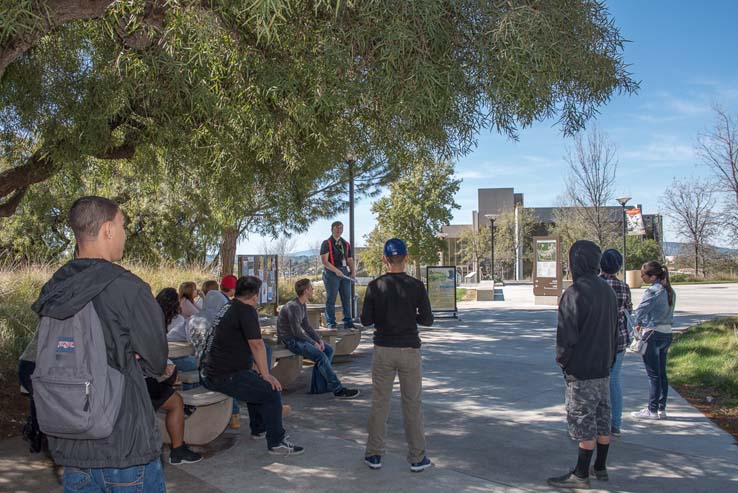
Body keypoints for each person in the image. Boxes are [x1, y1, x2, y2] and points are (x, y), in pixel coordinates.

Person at [31, 196, 168, 492]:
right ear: (107, 229)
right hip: (124, 443)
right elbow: (157, 360)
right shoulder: (128, 288)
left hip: (70, 441)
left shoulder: (55, 287)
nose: (124, 234)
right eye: (122, 226)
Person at [202, 276, 304, 455]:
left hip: (210, 371)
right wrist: (267, 374)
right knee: (271, 390)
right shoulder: (246, 311)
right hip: (222, 375)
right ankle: (276, 442)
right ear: (255, 296)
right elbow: (257, 345)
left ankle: (259, 429)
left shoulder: (229, 307)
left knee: (255, 381)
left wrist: (258, 370)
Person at [548, 240, 618, 489]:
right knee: (602, 419)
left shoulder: (574, 293)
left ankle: (580, 474)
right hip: (603, 368)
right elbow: (615, 331)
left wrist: (563, 361)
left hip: (581, 370)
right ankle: (600, 467)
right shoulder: (607, 290)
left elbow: (566, 337)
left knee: (583, 422)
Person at [361, 238, 434, 473]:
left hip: (383, 349)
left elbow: (365, 320)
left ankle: (374, 454)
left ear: (384, 259)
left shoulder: (374, 285)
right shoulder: (416, 286)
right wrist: (409, 315)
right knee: (412, 404)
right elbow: (427, 320)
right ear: (406, 257)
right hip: (409, 349)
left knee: (380, 403)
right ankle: (417, 457)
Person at [277, 278, 360, 399]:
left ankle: (319, 387)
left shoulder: (302, 304)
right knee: (320, 356)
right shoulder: (293, 306)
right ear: (306, 291)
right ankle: (338, 389)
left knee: (329, 350)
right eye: (311, 288)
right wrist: (312, 343)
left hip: (298, 338)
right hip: (290, 340)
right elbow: (296, 331)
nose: (313, 290)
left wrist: (318, 340)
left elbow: (307, 326)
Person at [630, 260, 676, 420]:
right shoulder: (669, 290)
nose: (642, 277)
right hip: (667, 333)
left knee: (653, 375)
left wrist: (637, 324)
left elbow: (641, 311)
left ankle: (652, 409)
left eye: (644, 275)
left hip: (652, 334)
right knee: (662, 373)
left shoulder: (653, 291)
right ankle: (661, 408)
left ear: (653, 276)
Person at [598, 249, 633, 436]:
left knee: (596, 381)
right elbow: (629, 310)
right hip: (618, 338)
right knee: (615, 381)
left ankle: (597, 422)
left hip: (598, 340)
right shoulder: (623, 287)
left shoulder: (596, 285)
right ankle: (615, 424)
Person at [158, 288, 198, 389]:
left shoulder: (154, 317)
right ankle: (191, 395)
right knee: (197, 365)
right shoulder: (178, 319)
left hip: (159, 357)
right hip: (175, 357)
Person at [320, 221, 355, 329]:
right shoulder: (327, 243)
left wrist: (353, 271)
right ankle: (331, 322)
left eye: (341, 228)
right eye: (337, 228)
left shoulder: (345, 244)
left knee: (346, 297)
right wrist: (336, 270)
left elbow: (349, 259)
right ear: (332, 229)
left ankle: (348, 321)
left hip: (344, 272)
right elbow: (325, 262)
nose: (339, 230)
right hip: (331, 272)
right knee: (331, 298)